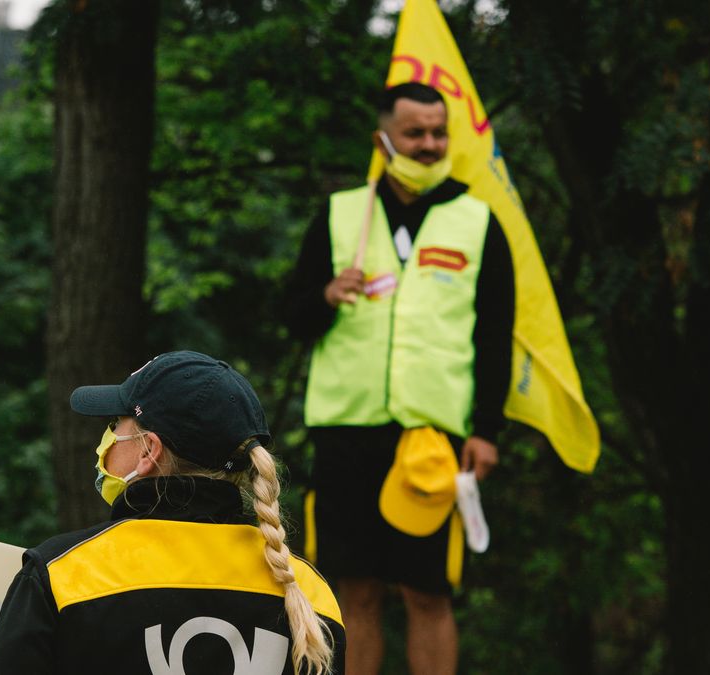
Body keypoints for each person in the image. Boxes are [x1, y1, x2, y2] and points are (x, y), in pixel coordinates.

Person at [282, 82, 515, 675]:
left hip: (430, 440)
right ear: (382, 140)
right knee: (353, 591)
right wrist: (327, 295)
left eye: (439, 132)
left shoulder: (478, 220)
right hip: (345, 433)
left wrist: (486, 431)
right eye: (416, 132)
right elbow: (290, 314)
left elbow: (495, 337)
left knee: (428, 591)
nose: (430, 143)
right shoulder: (340, 213)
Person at [0, 350, 345, 675]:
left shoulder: (61, 575)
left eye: (115, 424)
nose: (107, 438)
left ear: (148, 450)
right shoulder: (308, 592)